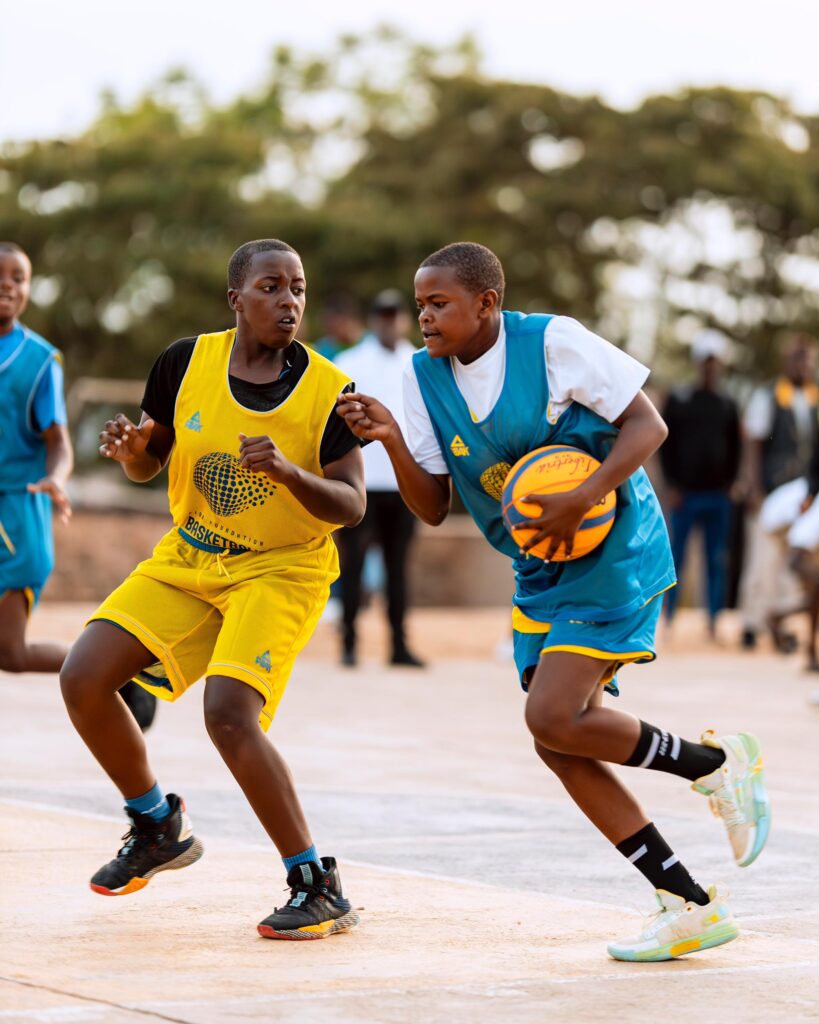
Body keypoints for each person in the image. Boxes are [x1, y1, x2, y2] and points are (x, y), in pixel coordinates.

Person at [338, 241, 770, 963]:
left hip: (612, 545)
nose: (423, 317)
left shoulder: (552, 342)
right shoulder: (423, 377)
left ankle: (713, 766)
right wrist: (388, 441)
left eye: (437, 303)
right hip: (537, 568)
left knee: (551, 713)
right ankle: (686, 903)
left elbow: (646, 426)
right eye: (418, 304)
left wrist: (581, 497)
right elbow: (433, 506)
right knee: (556, 739)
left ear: (486, 304)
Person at [59, 239, 365, 941]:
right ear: (237, 299)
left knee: (228, 714)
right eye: (270, 287)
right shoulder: (183, 361)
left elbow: (351, 506)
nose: (287, 301)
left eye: (297, 289)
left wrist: (291, 474)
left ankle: (315, 882)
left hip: (282, 567)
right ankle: (155, 824)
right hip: (193, 555)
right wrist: (136, 453)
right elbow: (151, 463)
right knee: (84, 676)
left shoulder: (329, 388)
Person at [334, 289, 424, 667]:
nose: (389, 321)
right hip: (364, 483)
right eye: (383, 315)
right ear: (374, 319)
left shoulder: (419, 362)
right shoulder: (350, 362)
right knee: (351, 567)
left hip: (402, 483)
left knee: (397, 568)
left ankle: (398, 645)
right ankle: (350, 644)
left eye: (395, 314)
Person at [0, 242, 73, 674]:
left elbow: (59, 442)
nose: (7, 285)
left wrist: (57, 478)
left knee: (10, 653)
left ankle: (116, 674)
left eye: (18, 277)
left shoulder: (39, 361)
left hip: (17, 514)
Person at [659, 330, 741, 640]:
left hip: (718, 496)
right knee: (675, 558)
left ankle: (713, 621)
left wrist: (732, 484)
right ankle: (668, 619)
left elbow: (736, 447)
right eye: (706, 362)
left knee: (716, 559)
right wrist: (671, 485)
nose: (711, 368)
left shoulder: (728, 403)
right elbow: (666, 445)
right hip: (685, 495)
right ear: (698, 364)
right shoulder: (680, 400)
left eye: (715, 362)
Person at [738, 335, 818, 651]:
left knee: (792, 565)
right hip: (772, 492)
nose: (804, 365)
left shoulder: (813, 398)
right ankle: (752, 623)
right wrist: (753, 486)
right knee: (762, 562)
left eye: (809, 360)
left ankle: (782, 627)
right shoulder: (769, 394)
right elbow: (754, 442)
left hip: (802, 495)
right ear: (788, 362)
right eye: (799, 359)